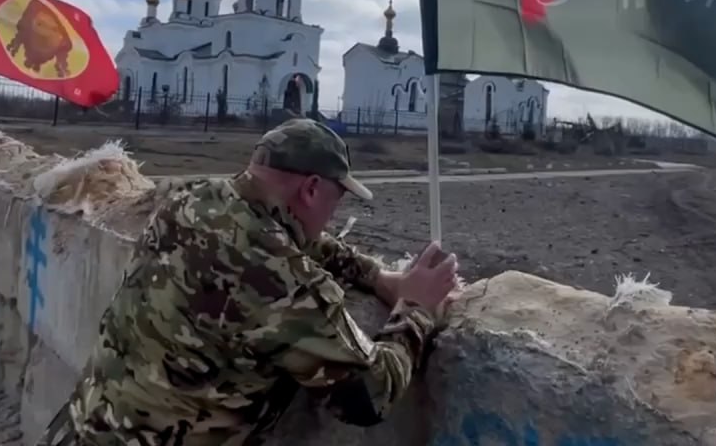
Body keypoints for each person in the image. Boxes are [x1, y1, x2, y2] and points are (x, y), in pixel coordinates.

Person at [38, 118, 460, 446]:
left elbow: (298, 240)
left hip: (83, 424)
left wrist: (376, 276)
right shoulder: (281, 280)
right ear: (312, 189)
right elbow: (369, 395)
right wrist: (415, 309)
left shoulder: (194, 199)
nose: (334, 212)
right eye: (338, 197)